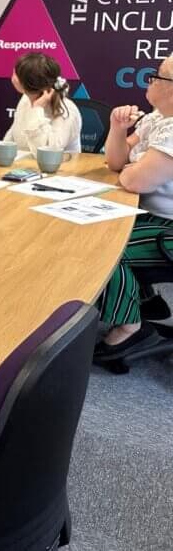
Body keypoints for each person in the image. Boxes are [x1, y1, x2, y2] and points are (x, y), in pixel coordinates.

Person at [93, 58, 173, 361]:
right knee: (96, 232)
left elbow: (132, 179)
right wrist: (117, 128)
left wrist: (130, 167)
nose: (148, 80)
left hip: (168, 226)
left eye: (156, 76)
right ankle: (143, 301)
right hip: (154, 216)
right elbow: (115, 163)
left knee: (106, 246)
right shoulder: (158, 118)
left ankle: (131, 328)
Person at [3, 53, 82, 153]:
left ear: (24, 83)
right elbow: (13, 135)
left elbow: (46, 153)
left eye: (15, 72)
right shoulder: (25, 100)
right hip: (24, 165)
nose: (12, 72)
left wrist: (37, 110)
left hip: (61, 167)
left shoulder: (66, 110)